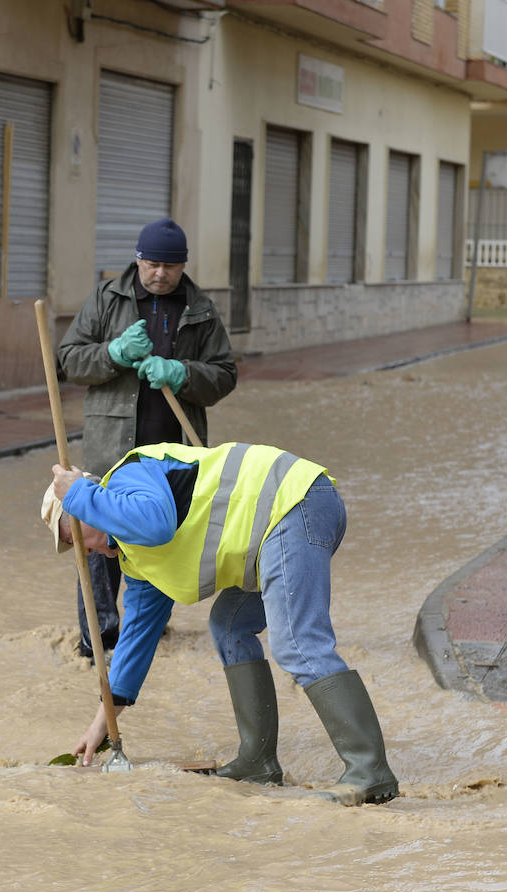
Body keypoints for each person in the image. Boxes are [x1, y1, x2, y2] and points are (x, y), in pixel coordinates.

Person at [40, 441, 399, 806]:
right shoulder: (136, 562)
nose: (81, 552)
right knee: (229, 624)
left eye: (73, 536)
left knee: (296, 642)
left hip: (295, 503)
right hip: (279, 528)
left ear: (87, 505)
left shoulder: (128, 478)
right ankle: (258, 761)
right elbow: (137, 639)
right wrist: (102, 723)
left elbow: (156, 523)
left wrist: (78, 493)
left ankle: (368, 770)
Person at [56, 219, 237, 660]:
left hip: (172, 456)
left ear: (184, 266)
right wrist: (113, 353)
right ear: (138, 260)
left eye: (171, 266)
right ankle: (97, 639)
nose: (160, 273)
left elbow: (225, 375)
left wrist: (184, 373)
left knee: (160, 539)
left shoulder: (202, 310)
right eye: (153, 264)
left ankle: (148, 630)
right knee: (99, 540)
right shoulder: (106, 299)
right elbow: (68, 359)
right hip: (111, 448)